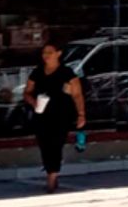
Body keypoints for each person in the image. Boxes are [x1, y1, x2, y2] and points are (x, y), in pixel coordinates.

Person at [23, 42, 86, 192]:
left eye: (50, 52)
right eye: (44, 52)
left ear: (58, 53)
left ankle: (52, 176)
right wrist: (33, 102)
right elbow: (27, 92)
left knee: (56, 144)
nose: (46, 55)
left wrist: (81, 114)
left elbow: (77, 95)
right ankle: (51, 171)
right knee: (44, 144)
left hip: (61, 115)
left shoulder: (67, 73)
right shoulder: (37, 72)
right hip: (41, 114)